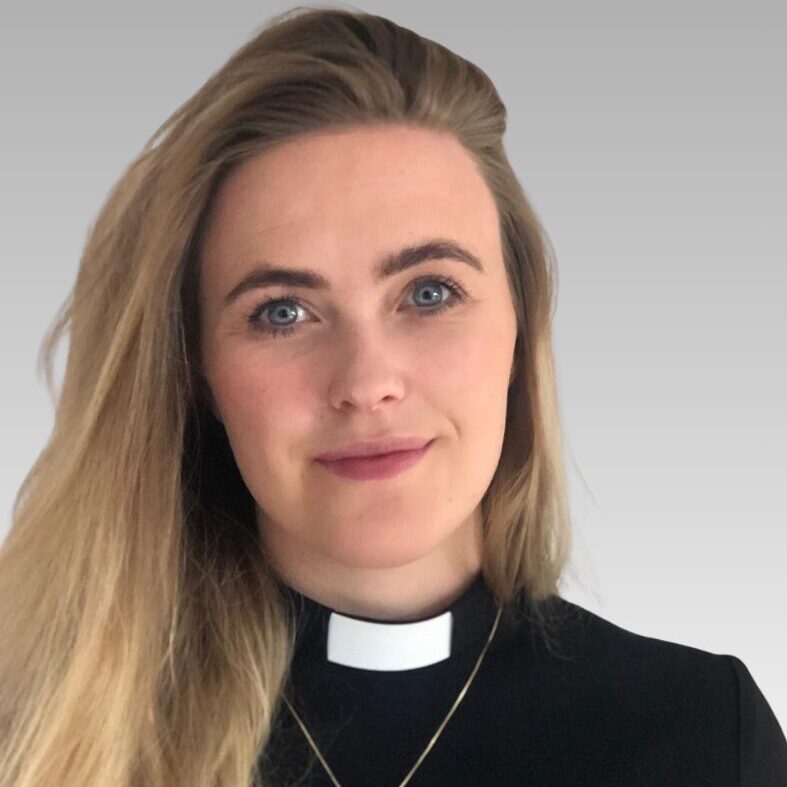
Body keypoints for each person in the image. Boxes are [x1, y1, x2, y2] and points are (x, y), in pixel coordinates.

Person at [0, 6, 784, 787]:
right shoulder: (32, 730)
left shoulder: (703, 735)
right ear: (194, 369)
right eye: (282, 312)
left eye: (430, 292)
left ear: (521, 330)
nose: (367, 382)